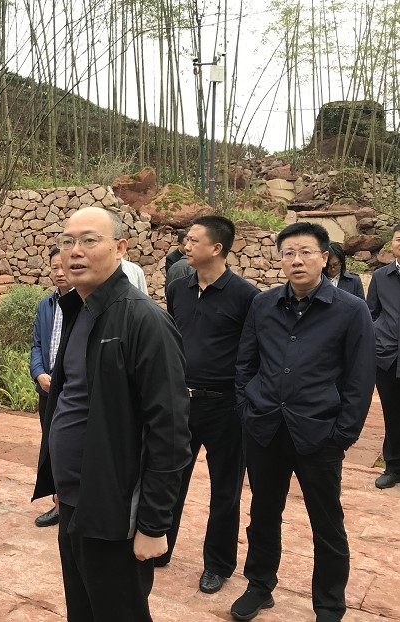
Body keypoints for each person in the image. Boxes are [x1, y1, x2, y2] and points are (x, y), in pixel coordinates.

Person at [32, 206, 190, 622]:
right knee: (83, 610)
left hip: (115, 509)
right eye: (67, 241)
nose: (75, 251)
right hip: (74, 501)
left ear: (120, 248)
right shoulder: (78, 310)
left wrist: (154, 524)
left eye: (89, 240)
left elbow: (171, 433)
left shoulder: (144, 320)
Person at [232, 222, 375, 622]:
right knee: (263, 514)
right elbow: (245, 363)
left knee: (327, 524)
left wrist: (342, 435)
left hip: (319, 433)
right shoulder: (263, 304)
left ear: (325, 258)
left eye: (306, 252)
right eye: (288, 253)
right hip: (265, 428)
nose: (296, 260)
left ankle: (329, 604)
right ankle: (259, 586)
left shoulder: (350, 309)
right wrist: (247, 408)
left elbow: (360, 378)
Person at [158, 216, 259, 595]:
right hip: (180, 404)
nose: (185, 245)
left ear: (217, 248)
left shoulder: (246, 296)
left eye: (193, 240)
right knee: (168, 478)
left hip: (226, 408)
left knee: (225, 490)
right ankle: (159, 546)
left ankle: (217, 565)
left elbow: (253, 353)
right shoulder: (178, 288)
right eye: (186, 239)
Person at [29, 246, 71, 527]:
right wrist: (38, 373)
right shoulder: (46, 304)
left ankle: (70, 503)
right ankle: (58, 502)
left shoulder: (86, 304)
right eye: (54, 267)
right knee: (51, 446)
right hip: (47, 389)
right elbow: (37, 344)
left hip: (72, 390)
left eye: (63, 266)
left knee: (71, 446)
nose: (59, 272)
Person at [367, 224, 400, 489]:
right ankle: (393, 466)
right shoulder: (381, 276)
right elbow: (371, 312)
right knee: (392, 413)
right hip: (388, 356)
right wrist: (380, 337)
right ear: (392, 244)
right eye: (399, 239)